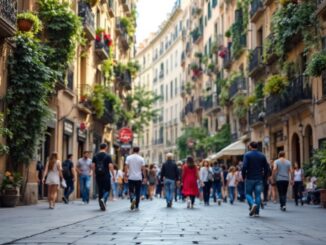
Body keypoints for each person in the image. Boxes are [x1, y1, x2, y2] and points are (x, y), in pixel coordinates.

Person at [242, 141, 269, 217]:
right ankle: (257, 212)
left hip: (250, 177)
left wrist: (243, 176)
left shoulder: (247, 155)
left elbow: (244, 167)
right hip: (259, 178)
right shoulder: (262, 155)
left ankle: (252, 203)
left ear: (250, 146)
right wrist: (264, 177)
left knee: (248, 194)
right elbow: (266, 167)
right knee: (258, 195)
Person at [92, 143, 113, 211]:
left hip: (98, 175)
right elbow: (110, 166)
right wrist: (113, 174)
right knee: (107, 189)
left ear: (100, 147)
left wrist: (94, 174)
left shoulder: (95, 156)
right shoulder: (108, 156)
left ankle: (101, 205)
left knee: (100, 189)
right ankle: (103, 200)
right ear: (106, 147)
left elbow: (93, 166)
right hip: (106, 175)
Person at [125, 146, 147, 211]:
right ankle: (137, 205)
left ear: (132, 150)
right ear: (139, 150)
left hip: (131, 177)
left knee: (131, 190)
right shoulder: (141, 158)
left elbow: (126, 167)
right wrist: (145, 177)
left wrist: (125, 175)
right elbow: (143, 169)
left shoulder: (128, 157)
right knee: (138, 192)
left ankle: (132, 198)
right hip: (138, 178)